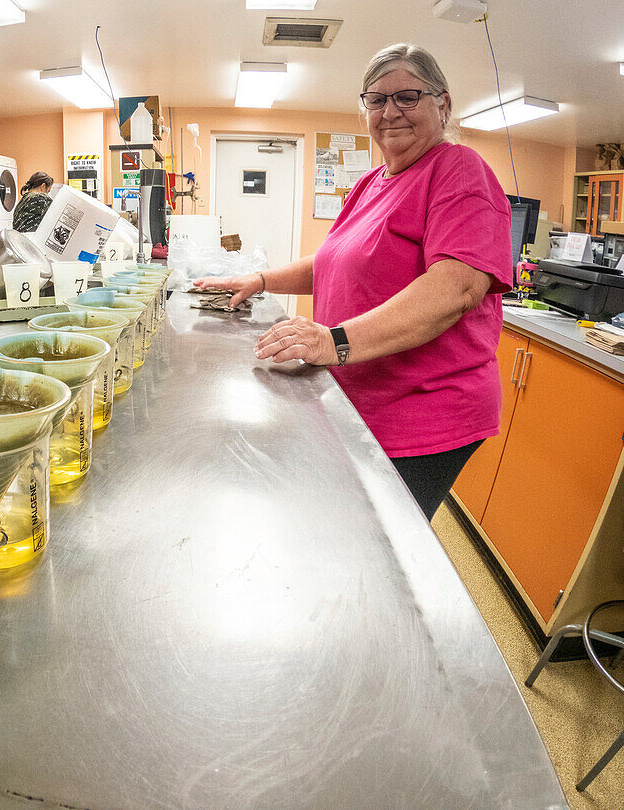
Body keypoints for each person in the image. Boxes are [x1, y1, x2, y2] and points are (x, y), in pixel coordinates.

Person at [194, 43, 511, 519]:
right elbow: (330, 262)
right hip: (361, 393)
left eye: (407, 97)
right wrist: (258, 279)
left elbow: (458, 287)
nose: (390, 112)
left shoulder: (459, 170)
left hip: (419, 407)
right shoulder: (371, 183)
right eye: (376, 100)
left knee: (374, 539)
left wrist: (334, 341)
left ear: (442, 104)